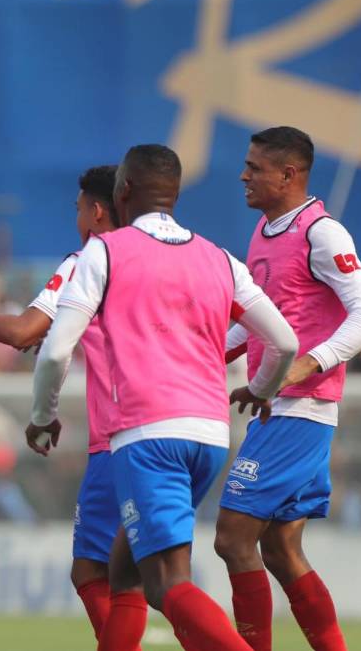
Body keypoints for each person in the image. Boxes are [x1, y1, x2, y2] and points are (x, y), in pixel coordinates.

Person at [29, 144, 298, 651]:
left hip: (147, 436)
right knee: (125, 572)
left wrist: (42, 417)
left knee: (168, 582)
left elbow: (54, 351)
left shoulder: (104, 251)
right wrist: (262, 389)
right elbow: (284, 341)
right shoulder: (220, 258)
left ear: (123, 190)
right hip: (211, 437)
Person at [0, 165, 131, 644]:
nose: (76, 216)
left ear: (96, 211)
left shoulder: (88, 260)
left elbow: (25, 332)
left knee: (99, 571)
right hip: (185, 424)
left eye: (79, 207)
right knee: (137, 569)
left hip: (123, 433)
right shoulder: (177, 257)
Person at [214, 127, 361, 651]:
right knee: (280, 551)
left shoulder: (322, 232)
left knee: (232, 538)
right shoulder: (265, 232)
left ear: (288, 175)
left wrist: (304, 365)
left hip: (300, 409)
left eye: (255, 167)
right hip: (281, 407)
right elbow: (260, 322)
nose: (243, 175)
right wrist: (201, 355)